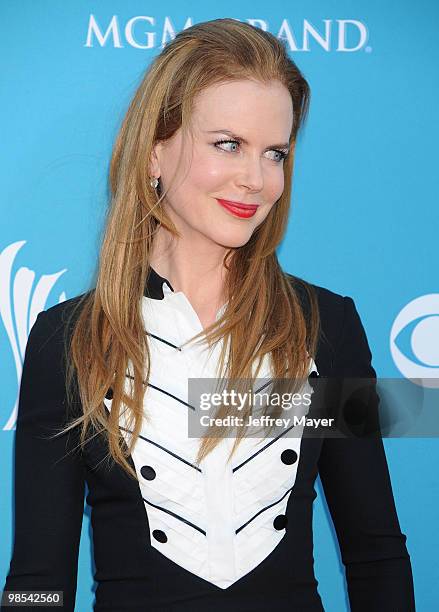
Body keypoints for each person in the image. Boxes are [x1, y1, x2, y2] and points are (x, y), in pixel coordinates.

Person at [2, 17, 415, 612]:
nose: (256, 180)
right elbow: (37, 580)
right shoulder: (68, 340)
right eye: (228, 144)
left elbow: (375, 555)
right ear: (153, 153)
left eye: (275, 153)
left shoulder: (324, 326)